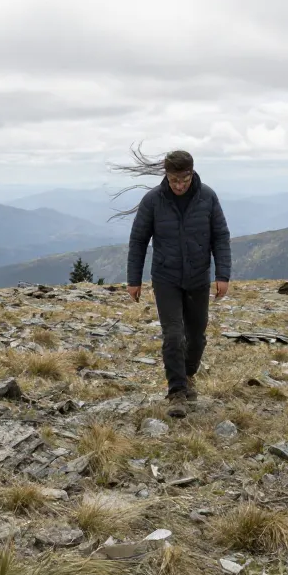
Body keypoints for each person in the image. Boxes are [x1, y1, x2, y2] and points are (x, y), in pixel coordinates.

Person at [123, 149, 231, 417]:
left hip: (198, 278)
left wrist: (223, 275)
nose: (179, 185)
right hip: (165, 278)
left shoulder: (208, 197)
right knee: (173, 335)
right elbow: (138, 240)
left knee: (196, 338)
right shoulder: (153, 200)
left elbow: (220, 236)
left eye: (184, 179)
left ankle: (188, 375)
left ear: (192, 172)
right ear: (166, 176)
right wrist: (133, 280)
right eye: (174, 180)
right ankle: (177, 393)